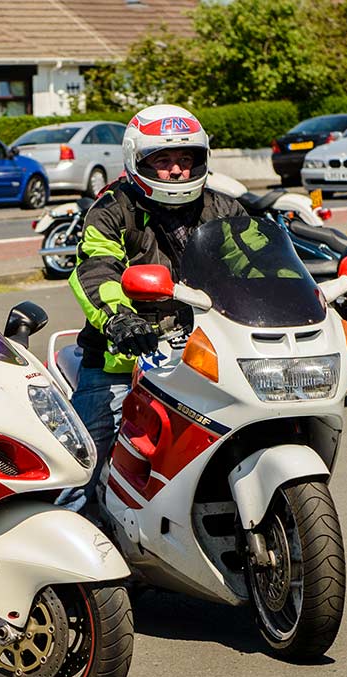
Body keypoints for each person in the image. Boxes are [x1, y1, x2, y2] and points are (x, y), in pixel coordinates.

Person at [57, 104, 242, 515]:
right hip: (121, 359)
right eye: (163, 161)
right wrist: (121, 318)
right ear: (137, 161)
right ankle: (70, 563)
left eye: (185, 159)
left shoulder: (225, 209)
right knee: (78, 466)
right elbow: (96, 269)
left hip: (208, 353)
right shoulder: (112, 209)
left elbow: (256, 264)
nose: (176, 170)